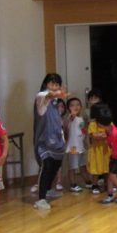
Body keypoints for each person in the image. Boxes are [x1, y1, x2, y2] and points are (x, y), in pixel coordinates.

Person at [33, 73, 68, 210]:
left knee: (55, 166)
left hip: (57, 141)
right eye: (52, 83)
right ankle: (41, 198)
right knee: (46, 166)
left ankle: (47, 190)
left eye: (57, 84)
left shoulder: (56, 102)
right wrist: (58, 93)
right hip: (45, 141)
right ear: (46, 84)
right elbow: (48, 95)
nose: (55, 86)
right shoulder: (41, 96)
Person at [62, 96, 87, 193]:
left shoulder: (81, 118)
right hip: (73, 147)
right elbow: (67, 123)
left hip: (80, 146)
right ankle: (73, 184)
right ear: (68, 108)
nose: (75, 107)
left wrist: (85, 141)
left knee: (82, 165)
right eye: (72, 105)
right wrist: (72, 115)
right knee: (73, 166)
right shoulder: (70, 117)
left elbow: (83, 131)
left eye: (77, 105)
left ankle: (87, 181)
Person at [86, 103, 110, 194]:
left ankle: (107, 184)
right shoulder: (92, 124)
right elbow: (94, 136)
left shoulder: (108, 122)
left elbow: (110, 133)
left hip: (106, 149)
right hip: (96, 150)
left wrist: (102, 135)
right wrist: (102, 135)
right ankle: (95, 185)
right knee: (95, 168)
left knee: (107, 167)